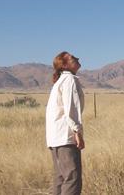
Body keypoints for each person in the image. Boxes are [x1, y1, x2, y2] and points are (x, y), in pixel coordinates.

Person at [46, 51, 85, 195]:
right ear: (65, 65)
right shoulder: (69, 80)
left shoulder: (59, 82)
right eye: (74, 58)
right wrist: (77, 132)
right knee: (72, 178)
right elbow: (71, 108)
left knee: (60, 178)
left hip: (55, 138)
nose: (78, 58)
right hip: (65, 137)